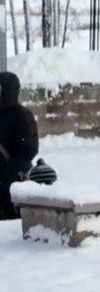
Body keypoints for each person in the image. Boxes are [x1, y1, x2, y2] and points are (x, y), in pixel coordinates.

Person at [0, 71, 39, 220]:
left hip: (13, 181)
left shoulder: (22, 116)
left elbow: (30, 149)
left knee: (11, 222)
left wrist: (8, 168)